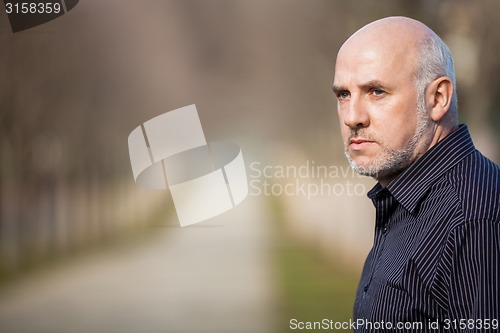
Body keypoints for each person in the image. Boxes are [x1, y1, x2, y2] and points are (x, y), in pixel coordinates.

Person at [333, 16, 499, 332]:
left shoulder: (474, 219)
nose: (352, 117)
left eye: (376, 91)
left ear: (438, 98)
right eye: (343, 94)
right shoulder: (403, 201)